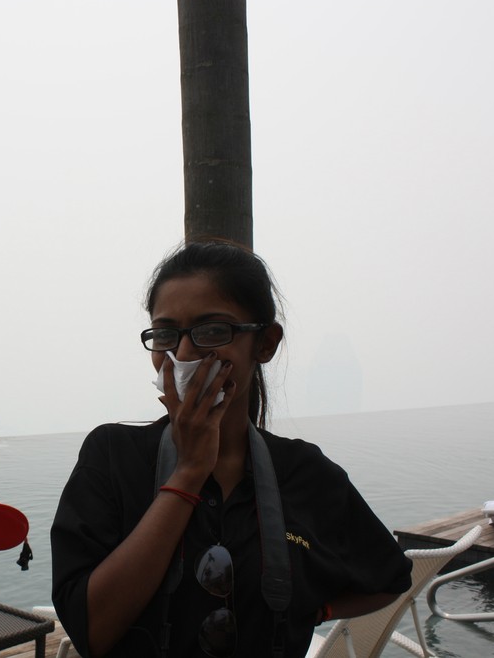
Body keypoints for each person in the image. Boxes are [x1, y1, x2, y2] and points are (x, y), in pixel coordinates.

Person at [51, 241, 412, 657]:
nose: (183, 354)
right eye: (166, 334)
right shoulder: (113, 456)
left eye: (211, 331)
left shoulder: (303, 471)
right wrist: (188, 473)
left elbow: (390, 577)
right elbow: (92, 632)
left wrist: (313, 608)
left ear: (265, 344)